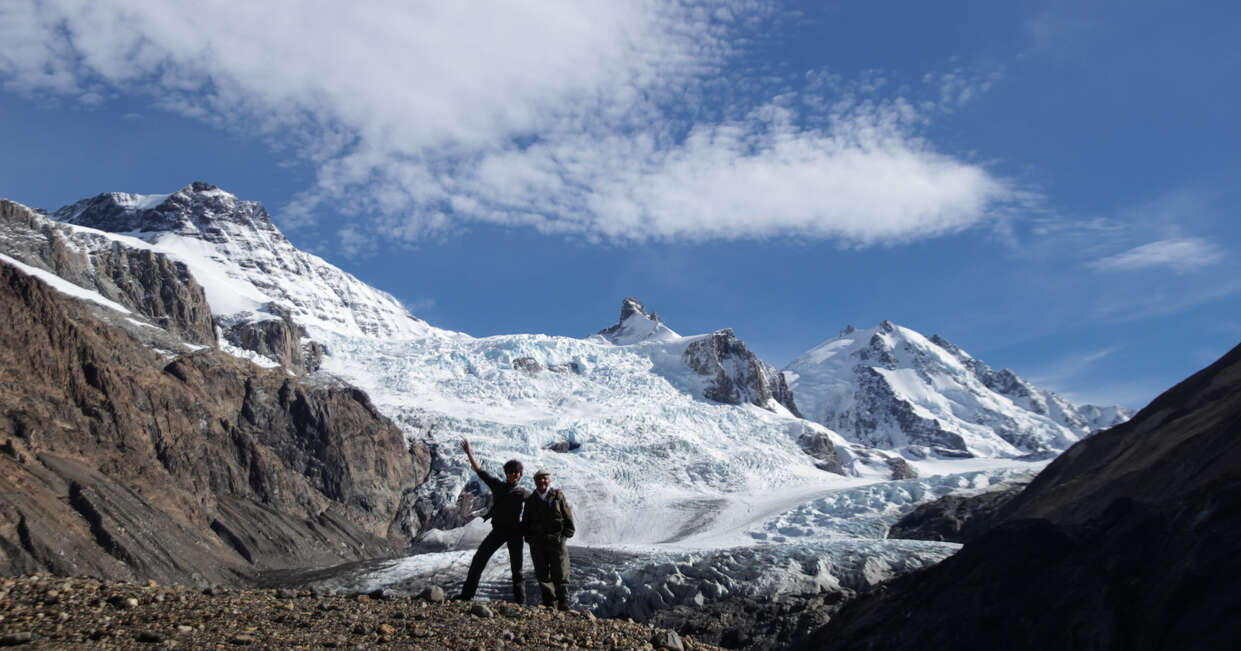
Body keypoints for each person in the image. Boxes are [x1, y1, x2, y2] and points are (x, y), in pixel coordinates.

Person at [456, 439, 531, 603]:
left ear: (520, 475)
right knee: (478, 560)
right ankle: (466, 596)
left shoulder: (523, 493)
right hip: (498, 531)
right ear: (506, 473)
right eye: (511, 471)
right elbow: (480, 471)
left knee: (517, 570)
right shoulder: (497, 485)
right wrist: (469, 452)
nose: (514, 474)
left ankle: (521, 603)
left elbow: (537, 505)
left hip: (515, 533)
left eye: (516, 472)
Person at [521, 468, 575, 610]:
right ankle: (549, 602)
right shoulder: (531, 500)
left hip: (557, 541)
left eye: (545, 478)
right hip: (537, 543)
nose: (542, 481)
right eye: (539, 478)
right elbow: (525, 520)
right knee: (542, 573)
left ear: (549, 480)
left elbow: (566, 514)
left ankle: (563, 602)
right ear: (535, 481)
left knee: (561, 571)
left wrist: (566, 534)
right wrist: (529, 538)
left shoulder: (557, 496)